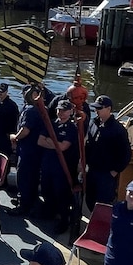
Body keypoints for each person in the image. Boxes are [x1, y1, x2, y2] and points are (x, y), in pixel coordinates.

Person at [39, 100, 83, 233]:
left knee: (61, 195)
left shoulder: (72, 128)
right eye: (59, 110)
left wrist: (51, 142)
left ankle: (64, 221)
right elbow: (40, 141)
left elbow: (64, 147)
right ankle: (50, 213)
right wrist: (55, 144)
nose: (61, 113)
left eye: (64, 111)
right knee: (46, 190)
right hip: (48, 164)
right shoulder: (51, 124)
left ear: (70, 112)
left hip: (63, 169)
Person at [84, 95, 132, 210]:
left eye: (100, 108)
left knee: (103, 203)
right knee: (90, 199)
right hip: (92, 170)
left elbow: (125, 154)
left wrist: (115, 171)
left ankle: (102, 226)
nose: (96, 110)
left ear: (109, 109)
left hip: (106, 174)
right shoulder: (93, 123)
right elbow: (88, 145)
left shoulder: (118, 130)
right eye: (96, 108)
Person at [12, 86, 47, 216]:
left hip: (28, 148)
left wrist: (15, 137)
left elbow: (25, 130)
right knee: (31, 176)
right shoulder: (38, 108)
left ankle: (23, 204)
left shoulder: (31, 110)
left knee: (24, 175)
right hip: (34, 149)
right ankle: (28, 201)